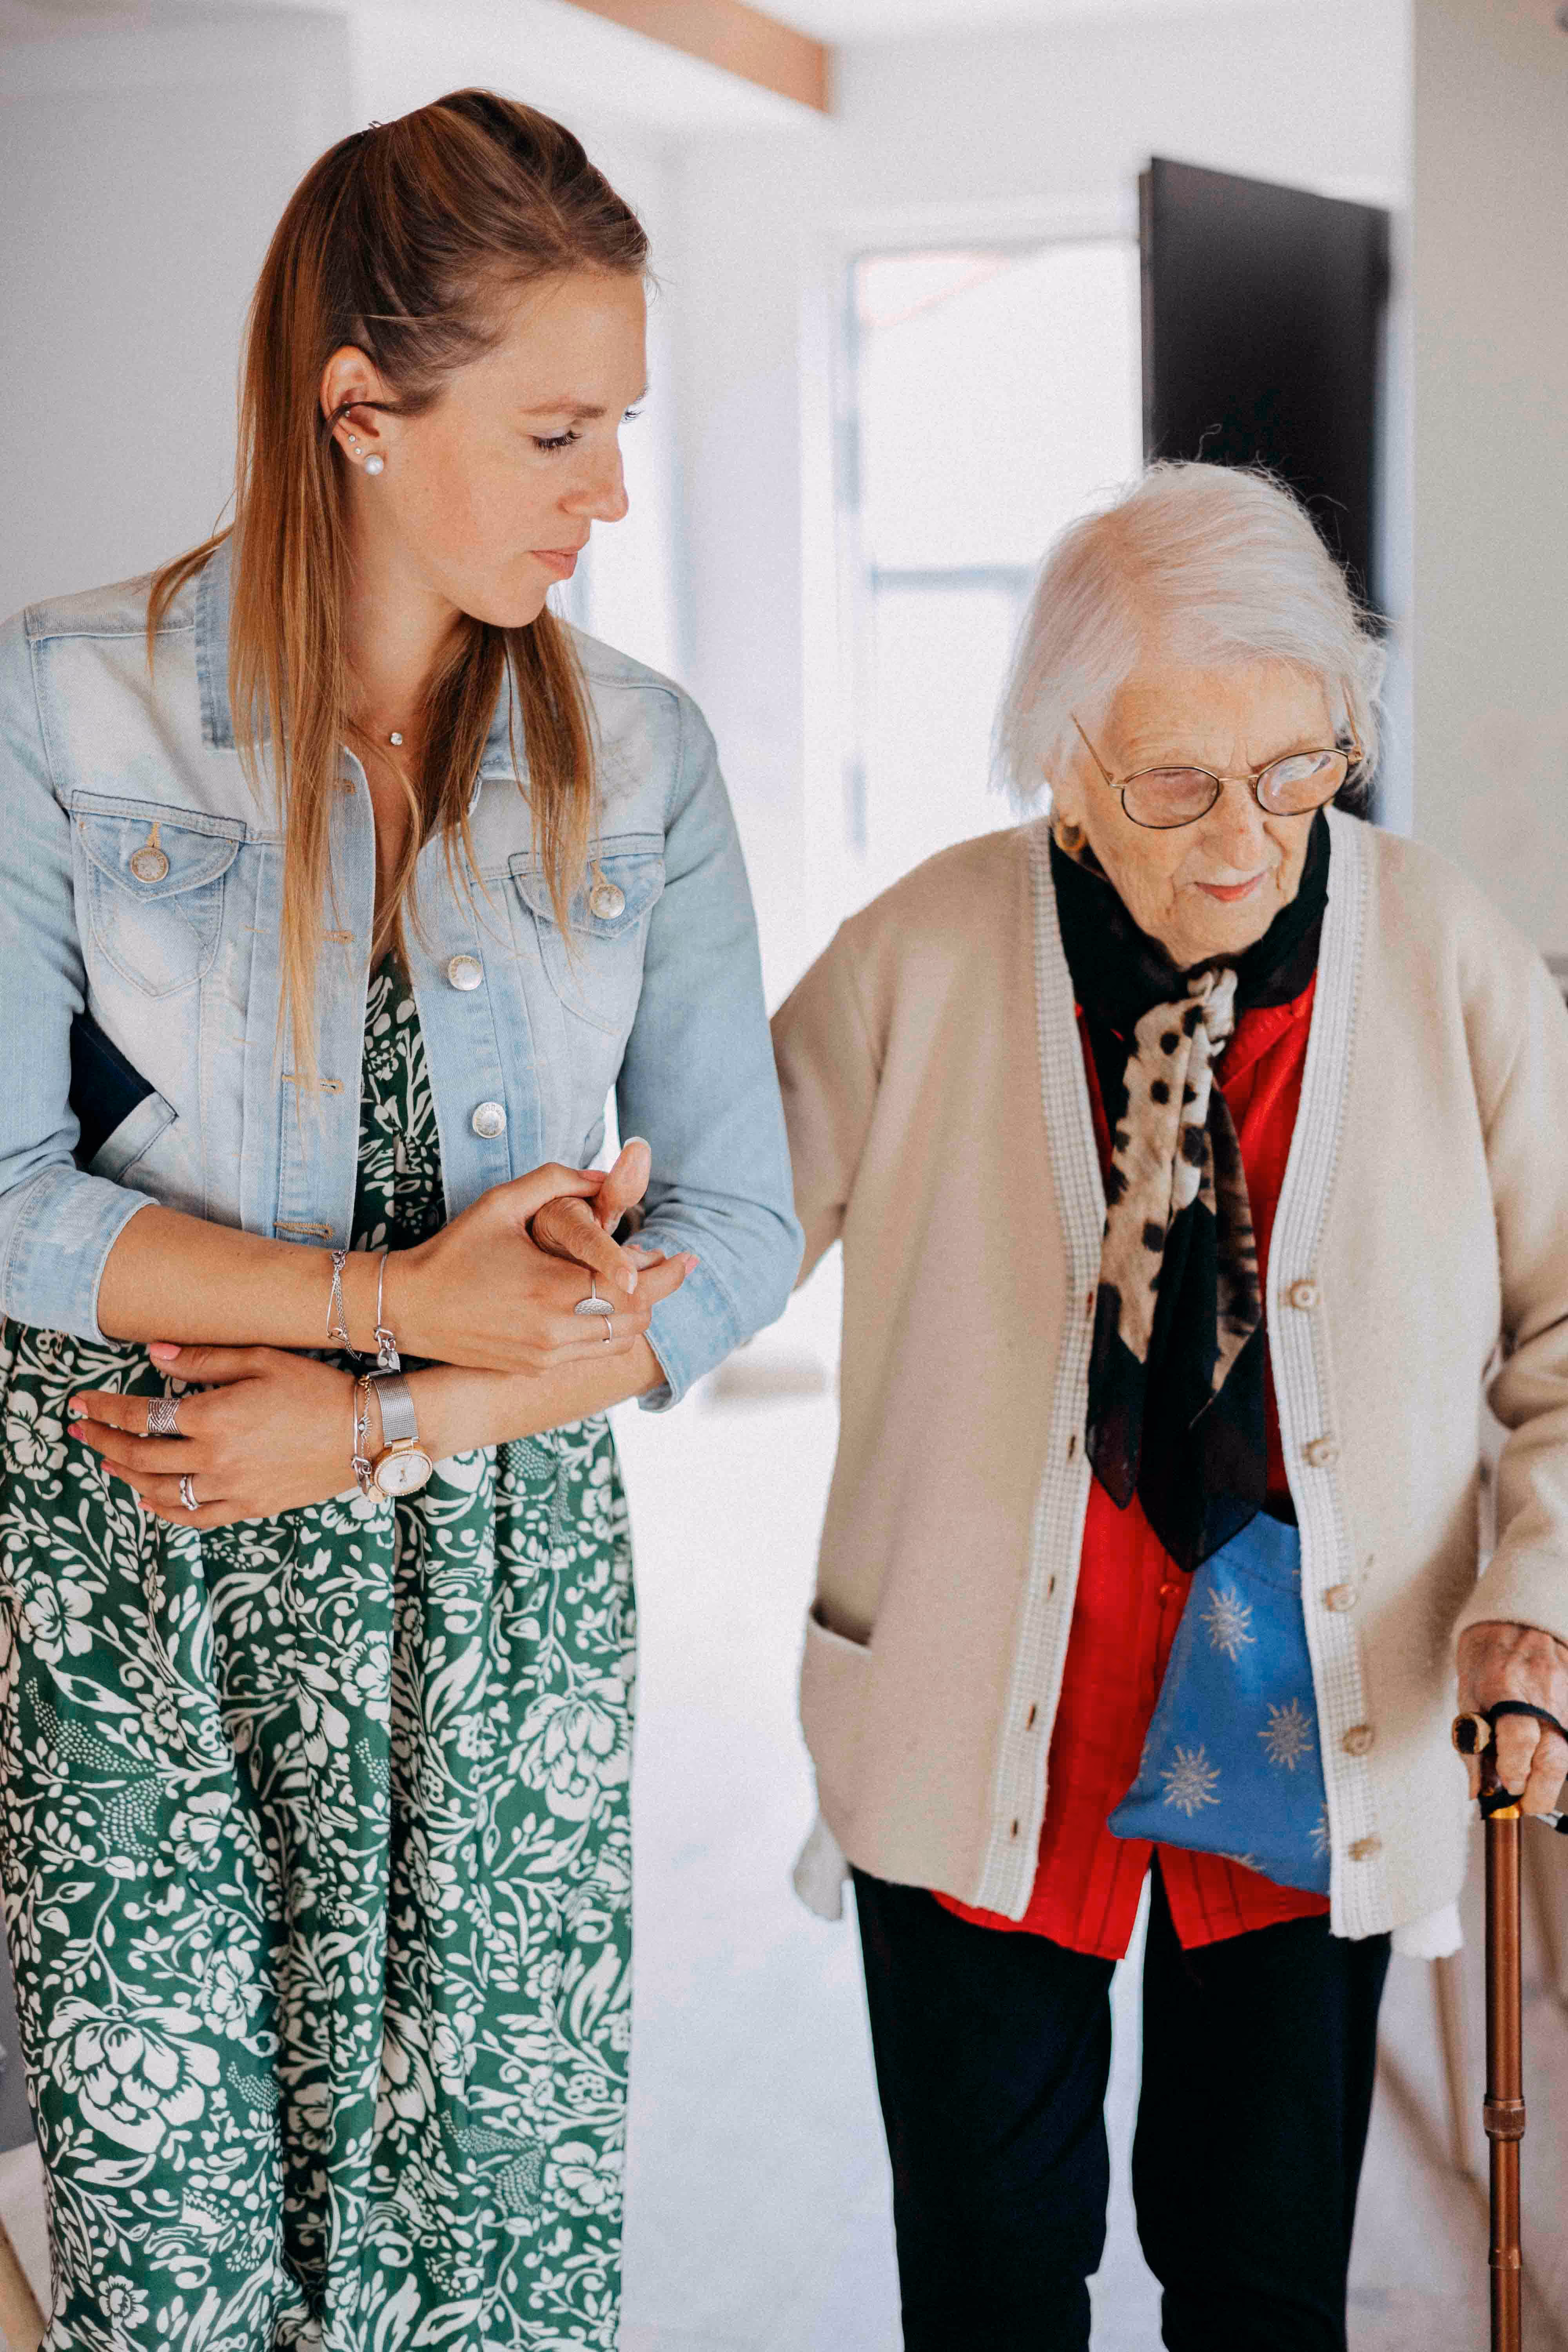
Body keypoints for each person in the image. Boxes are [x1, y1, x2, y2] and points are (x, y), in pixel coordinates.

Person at [0, 91, 799, 2348]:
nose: (610, 491)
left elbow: (737, 1225)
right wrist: (392, 1296)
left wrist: (380, 1415)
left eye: (617, 427)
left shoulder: (642, 760)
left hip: (497, 1587)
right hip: (136, 1591)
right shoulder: (57, 702)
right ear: (361, 411)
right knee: (173, 2271)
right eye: (559, 430)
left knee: (482, 2273)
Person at [772, 462, 1568, 2351]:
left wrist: (1529, 1585)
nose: (1245, 841)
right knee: (984, 2274)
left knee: (1260, 2276)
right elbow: (712, 1237)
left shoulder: (1444, 953)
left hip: (1304, 1711)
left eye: (1297, 772)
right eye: (1173, 785)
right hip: (985, 1706)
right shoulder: (922, 951)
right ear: (1055, 761)